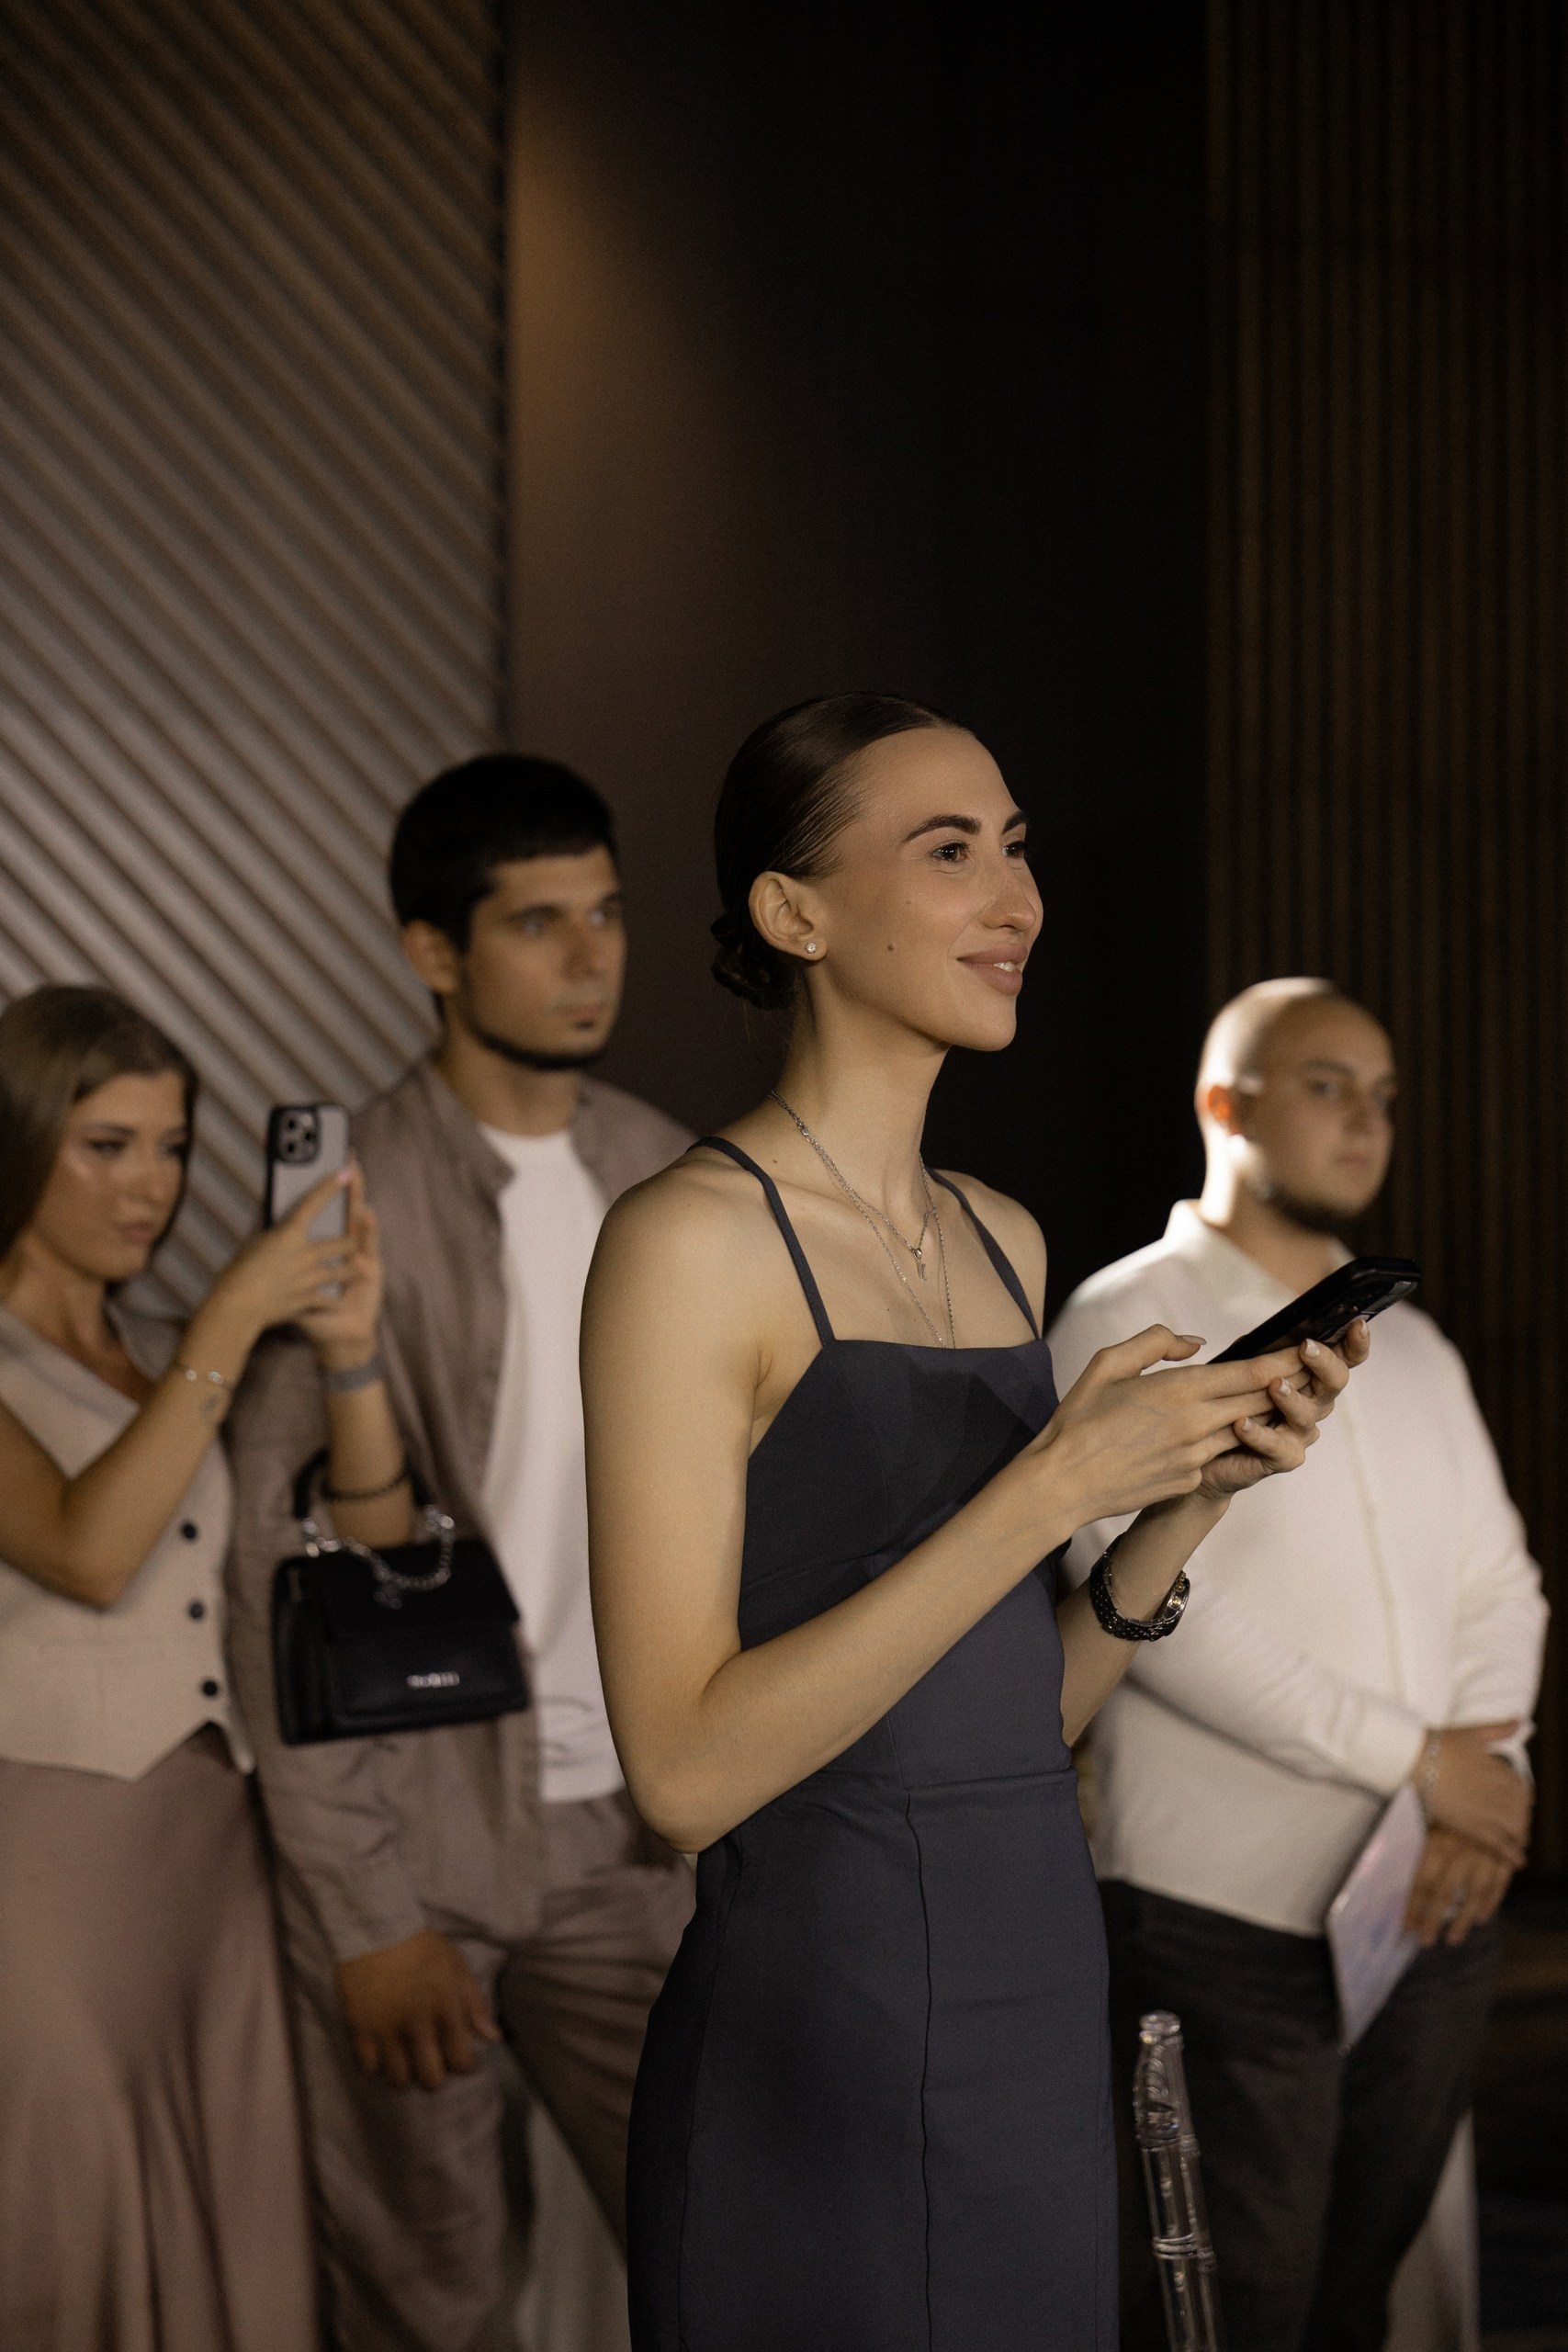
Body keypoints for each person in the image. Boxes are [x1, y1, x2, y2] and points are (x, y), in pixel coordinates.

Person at [580, 695, 1370, 2352]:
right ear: (793, 912)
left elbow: (1011, 1719)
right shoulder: (687, 1242)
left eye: (1015, 848)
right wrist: (1051, 1489)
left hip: (1035, 2004)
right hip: (821, 2018)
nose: (1017, 900)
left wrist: (1186, 1507)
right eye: (949, 852)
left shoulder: (1003, 1240)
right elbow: (685, 1777)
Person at [225, 754, 696, 2351]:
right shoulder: (348, 1203)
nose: (590, 958)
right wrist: (367, 1909)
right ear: (434, 951)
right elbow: (273, 1579)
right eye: (538, 923)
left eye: (607, 915)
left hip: (641, 1840)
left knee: (724, 2262)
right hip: (420, 1842)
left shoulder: (672, 1177)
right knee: (428, 2307)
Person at [1047, 977, 1549, 2352]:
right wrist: (1421, 1762)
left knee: (1355, 2299)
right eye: (1329, 1085)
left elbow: (1501, 1586)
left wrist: (1482, 1781)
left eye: (1383, 1095)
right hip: (1218, 1919)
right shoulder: (1123, 1321)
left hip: (1426, 1898)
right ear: (1227, 1103)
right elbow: (1145, 1606)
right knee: (1224, 2306)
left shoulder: (1416, 1345)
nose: (1366, 1121)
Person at [0, 982, 402, 2350]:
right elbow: (89, 1551)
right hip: (49, 1864)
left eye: (172, 1147)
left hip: (221, 1852)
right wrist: (233, 1322)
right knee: (75, 2211)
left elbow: (371, 1544)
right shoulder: (190, 1352)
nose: (152, 1186)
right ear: (20, 1140)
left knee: (235, 2206)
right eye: (107, 1145)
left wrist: (349, 1359)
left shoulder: (174, 1351)